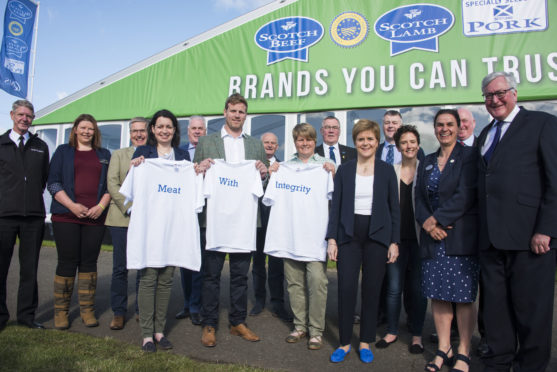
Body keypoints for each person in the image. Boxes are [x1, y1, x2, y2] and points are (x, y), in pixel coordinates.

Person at [477, 71, 557, 372]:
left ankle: (531, 366)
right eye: (488, 95)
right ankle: (499, 360)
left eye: (500, 93)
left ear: (514, 93)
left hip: (529, 239)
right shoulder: (486, 134)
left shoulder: (542, 124)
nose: (494, 99)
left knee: (531, 311)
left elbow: (555, 181)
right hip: (491, 240)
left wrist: (546, 229)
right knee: (496, 310)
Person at [194, 93, 268, 347]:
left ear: (246, 116)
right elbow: (195, 176)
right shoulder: (206, 142)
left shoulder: (256, 145)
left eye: (242, 111)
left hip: (244, 223)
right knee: (211, 275)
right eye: (233, 110)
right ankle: (209, 324)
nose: (237, 115)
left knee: (240, 275)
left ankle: (238, 322)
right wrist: (200, 168)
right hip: (214, 221)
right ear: (225, 112)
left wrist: (264, 172)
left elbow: (264, 180)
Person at [327, 119, 399, 364]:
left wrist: (394, 241)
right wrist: (332, 239)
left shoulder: (387, 170)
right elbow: (335, 207)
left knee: (371, 290)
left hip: (377, 236)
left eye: (370, 139)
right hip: (348, 235)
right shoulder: (345, 170)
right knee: (346, 289)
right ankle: (345, 342)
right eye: (361, 139)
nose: (365, 143)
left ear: (377, 142)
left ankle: (365, 340)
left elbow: (394, 208)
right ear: (355, 142)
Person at [415, 109, 478, 372]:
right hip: (434, 240)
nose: (444, 129)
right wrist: (428, 224)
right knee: (438, 296)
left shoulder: (470, 157)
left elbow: (466, 194)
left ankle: (463, 350)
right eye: (439, 124)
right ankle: (444, 348)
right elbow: (418, 198)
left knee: (462, 297)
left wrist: (436, 219)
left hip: (459, 237)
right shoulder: (427, 160)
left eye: (449, 124)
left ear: (458, 126)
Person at [267, 124, 335, 350]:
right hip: (290, 236)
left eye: (308, 139)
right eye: (299, 140)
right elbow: (270, 196)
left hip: (315, 237)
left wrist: (332, 173)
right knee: (294, 283)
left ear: (314, 141)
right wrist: (273, 172)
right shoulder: (283, 167)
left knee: (317, 282)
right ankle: (299, 326)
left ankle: (316, 330)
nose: (304, 143)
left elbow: (336, 198)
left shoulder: (326, 166)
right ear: (294, 142)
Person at [129, 109, 191, 352]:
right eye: (160, 126)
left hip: (173, 226)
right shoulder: (142, 153)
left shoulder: (184, 155)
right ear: (152, 130)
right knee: (148, 278)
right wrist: (135, 167)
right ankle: (146, 334)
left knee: (166, 279)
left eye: (169, 126)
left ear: (174, 130)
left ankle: (159, 331)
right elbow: (133, 184)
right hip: (149, 226)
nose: (165, 130)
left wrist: (197, 170)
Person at [48, 114, 111, 329]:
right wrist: (73, 206)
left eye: (90, 128)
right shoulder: (63, 152)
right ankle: (61, 312)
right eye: (82, 128)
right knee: (67, 260)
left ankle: (87, 310)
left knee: (89, 262)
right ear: (75, 130)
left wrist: (100, 207)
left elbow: (111, 186)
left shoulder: (104, 154)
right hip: (66, 216)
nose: (86, 132)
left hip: (95, 216)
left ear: (95, 132)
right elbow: (53, 184)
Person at [377, 125, 427, 354]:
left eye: (412, 141)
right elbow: (385, 209)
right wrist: (390, 240)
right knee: (394, 288)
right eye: (404, 142)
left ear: (418, 144)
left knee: (417, 289)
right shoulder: (390, 171)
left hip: (420, 241)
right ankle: (392, 331)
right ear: (398, 147)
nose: (409, 146)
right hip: (396, 241)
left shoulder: (426, 170)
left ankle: (417, 335)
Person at [0, 100, 49, 331]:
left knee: (29, 269)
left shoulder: (40, 145)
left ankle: (27, 317)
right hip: (4, 216)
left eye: (29, 116)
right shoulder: (0, 144)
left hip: (33, 217)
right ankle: (1, 316)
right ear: (12, 115)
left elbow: (42, 179)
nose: (24, 119)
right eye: (20, 114)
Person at [105, 117, 148, 330]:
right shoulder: (119, 155)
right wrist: (130, 206)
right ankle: (119, 312)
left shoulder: (154, 155)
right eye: (135, 131)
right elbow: (112, 184)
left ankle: (142, 309)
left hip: (146, 220)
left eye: (142, 131)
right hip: (122, 218)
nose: (138, 134)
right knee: (120, 268)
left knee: (143, 267)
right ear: (130, 133)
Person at [250, 132, 292, 322]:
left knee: (276, 263)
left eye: (273, 143)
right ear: (261, 145)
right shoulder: (251, 165)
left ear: (277, 146)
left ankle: (277, 302)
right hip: (257, 219)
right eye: (266, 142)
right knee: (258, 262)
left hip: (276, 220)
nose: (269, 145)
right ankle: (259, 300)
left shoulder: (284, 167)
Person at [176, 116, 207, 326]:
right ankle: (187, 304)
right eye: (194, 128)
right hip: (181, 213)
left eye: (200, 128)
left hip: (204, 214)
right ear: (188, 131)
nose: (197, 131)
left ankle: (196, 306)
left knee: (200, 262)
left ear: (205, 131)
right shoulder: (177, 153)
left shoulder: (213, 154)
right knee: (184, 262)